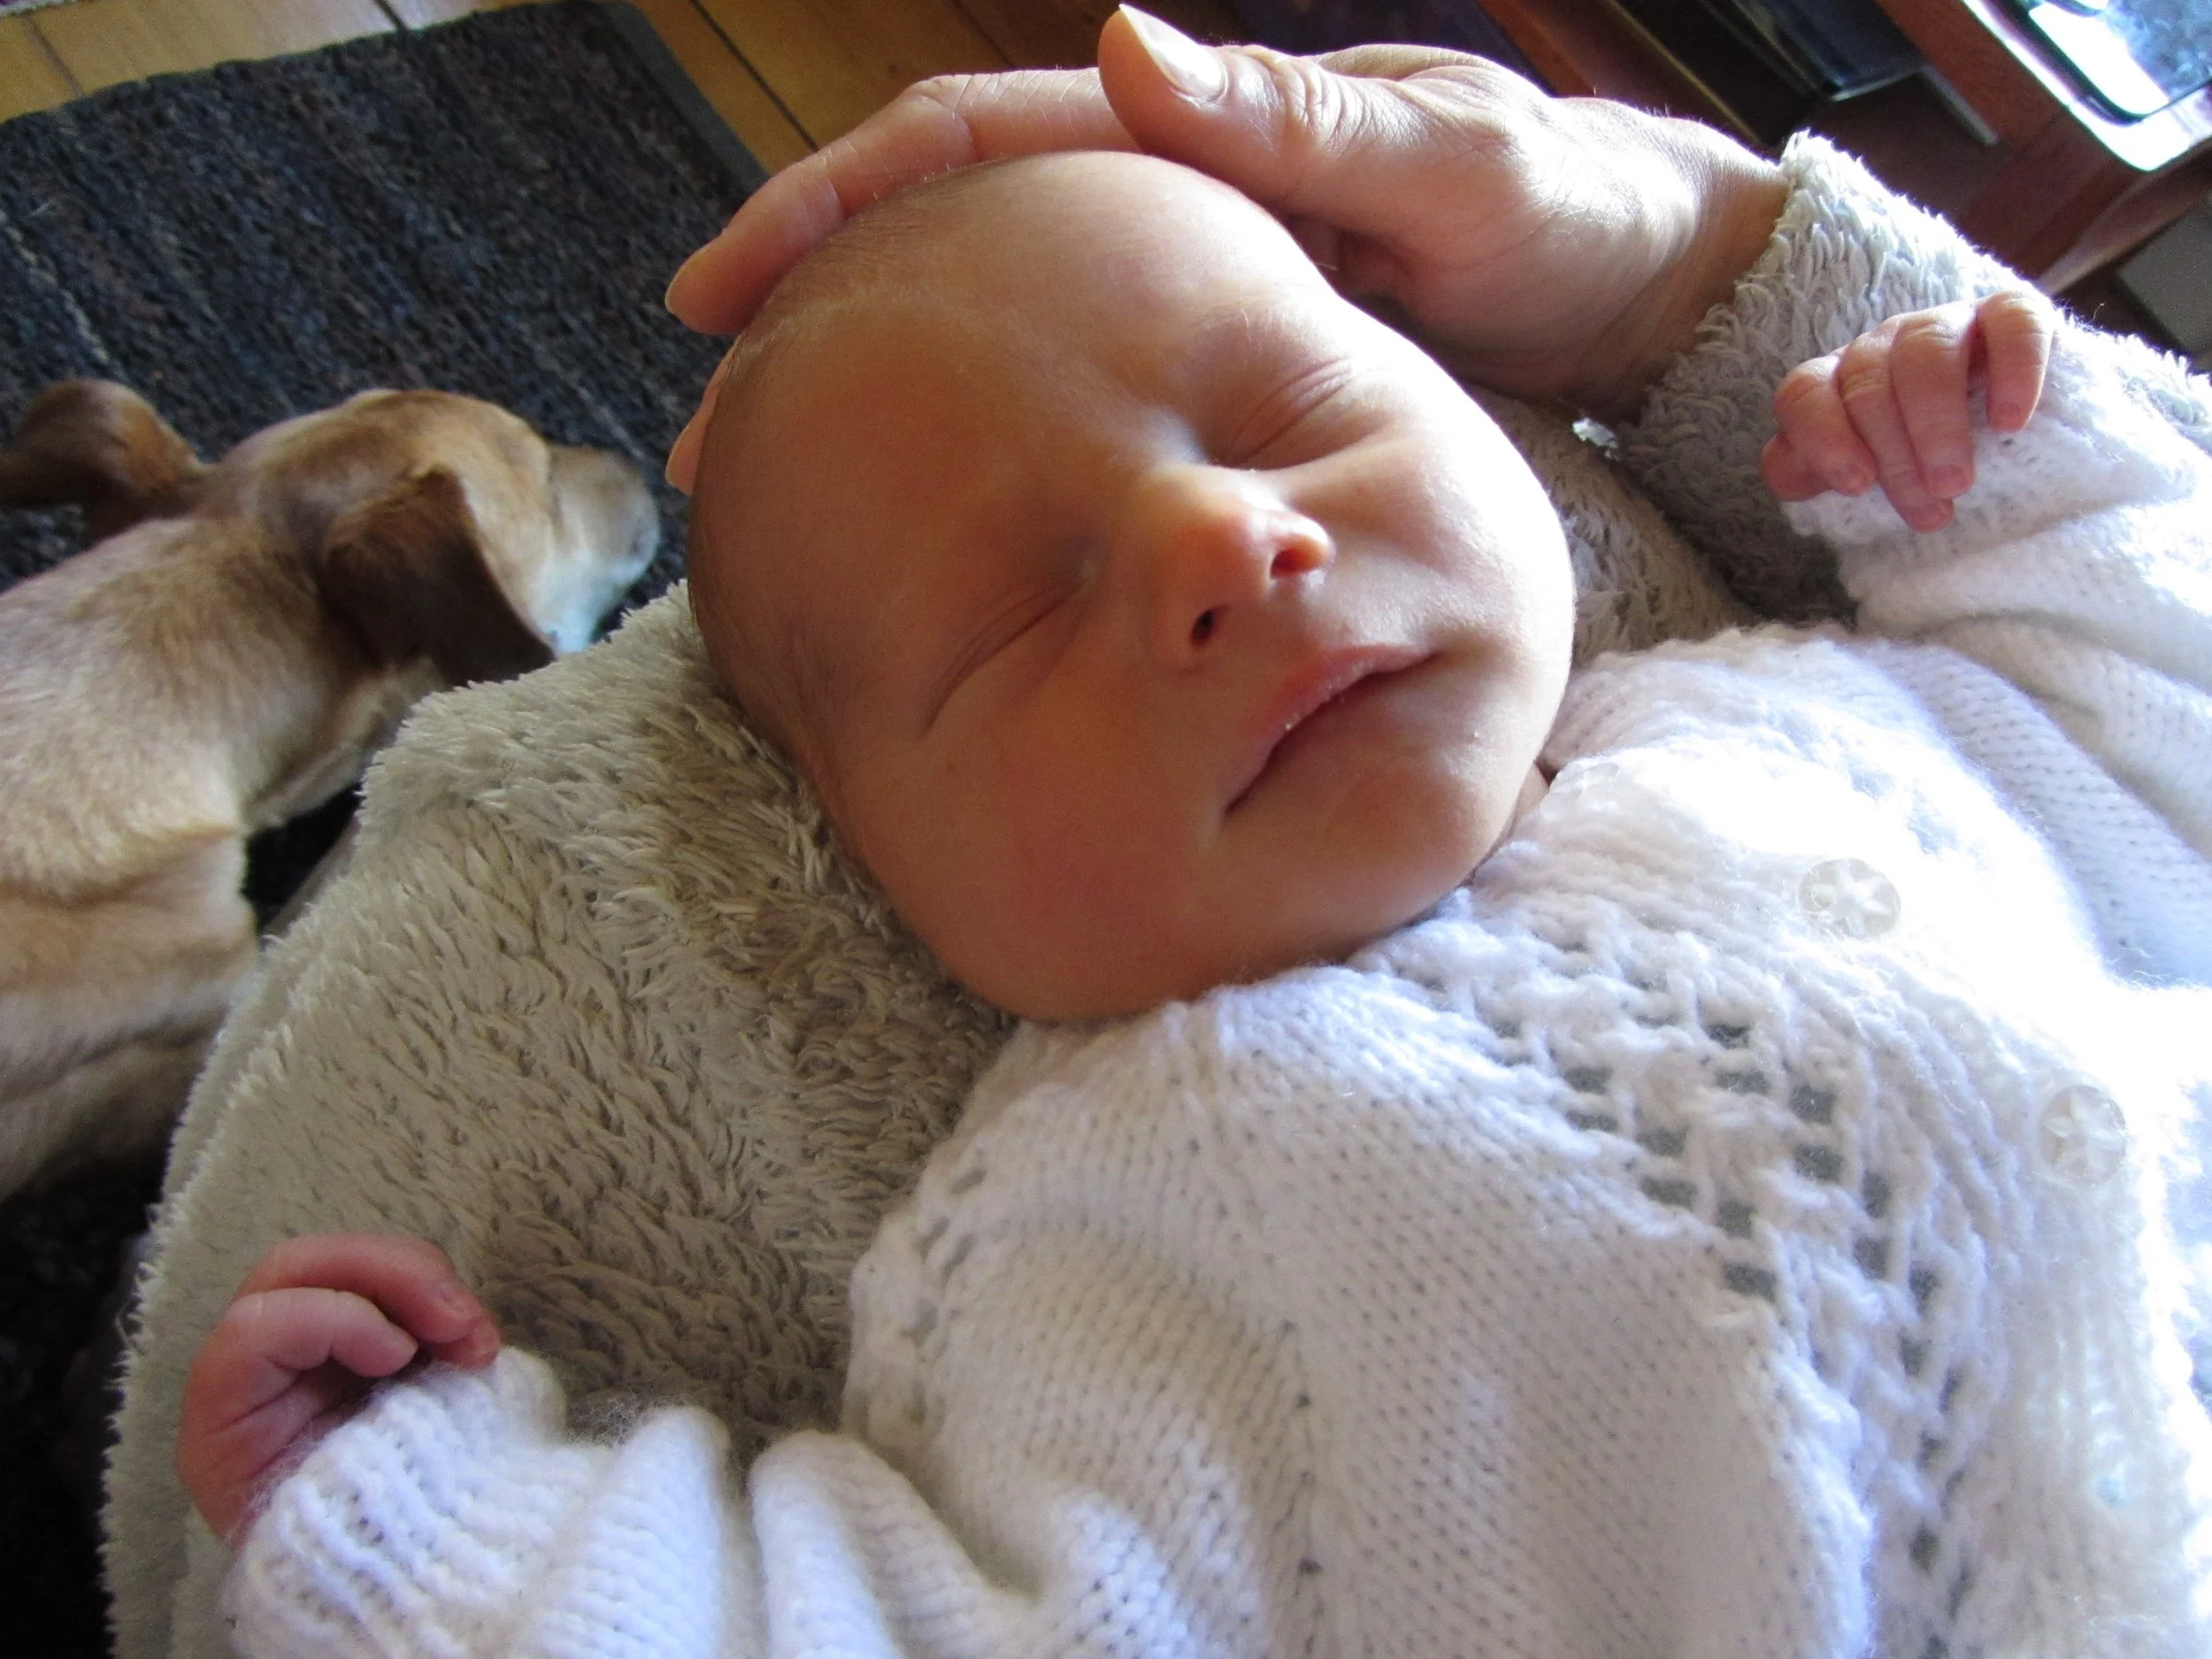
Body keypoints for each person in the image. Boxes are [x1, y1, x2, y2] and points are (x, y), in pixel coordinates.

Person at [177, 15, 2212, 1658]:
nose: (1219, 542)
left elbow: (2158, 718)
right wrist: (419, 1533)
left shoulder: (1812, 702)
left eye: (1284, 413)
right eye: (1011, 621)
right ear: (876, 880)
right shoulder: (1130, 1229)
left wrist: (2007, 465)